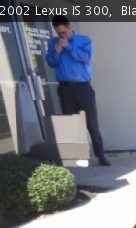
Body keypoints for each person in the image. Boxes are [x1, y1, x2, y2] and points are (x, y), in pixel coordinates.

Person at [45, 16, 110, 166]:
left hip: (83, 88)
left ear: (69, 27)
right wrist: (58, 50)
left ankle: (101, 156)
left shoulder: (84, 40)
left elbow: (86, 58)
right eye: (59, 33)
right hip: (65, 88)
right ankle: (78, 157)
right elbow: (51, 63)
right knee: (72, 124)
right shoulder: (53, 43)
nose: (62, 36)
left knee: (92, 123)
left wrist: (68, 46)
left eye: (64, 32)